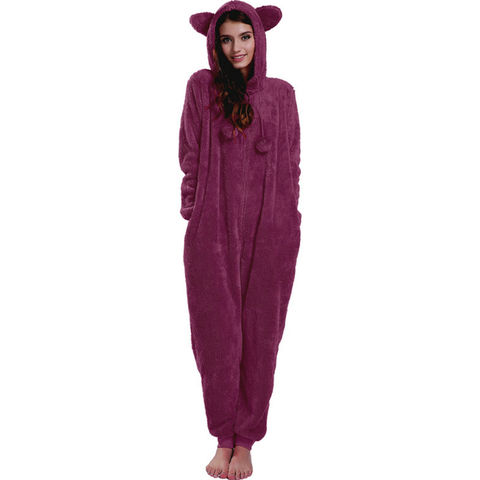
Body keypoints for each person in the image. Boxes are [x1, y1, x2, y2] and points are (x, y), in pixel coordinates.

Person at [178, 1, 302, 478]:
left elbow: (292, 161)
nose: (236, 48)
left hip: (272, 231)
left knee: (261, 335)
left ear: (259, 39)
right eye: (226, 39)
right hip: (212, 229)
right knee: (215, 335)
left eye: (245, 37)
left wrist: (288, 218)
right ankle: (222, 437)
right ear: (214, 42)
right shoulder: (201, 87)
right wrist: (194, 211)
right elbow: (189, 154)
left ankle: (246, 440)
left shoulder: (282, 95)